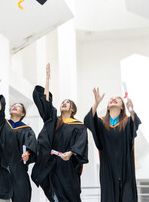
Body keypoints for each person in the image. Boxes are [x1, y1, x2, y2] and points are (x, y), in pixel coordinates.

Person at [31, 63, 88, 202]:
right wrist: (48, 79)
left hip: (67, 165)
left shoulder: (79, 126)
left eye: (67, 103)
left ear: (72, 109)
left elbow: (80, 143)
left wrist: (71, 152)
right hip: (53, 164)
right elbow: (46, 103)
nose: (64, 103)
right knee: (54, 194)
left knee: (71, 195)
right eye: (63, 102)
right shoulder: (53, 121)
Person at [84, 87, 141, 202]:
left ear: (122, 107)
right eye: (111, 99)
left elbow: (135, 124)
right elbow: (88, 120)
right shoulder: (101, 123)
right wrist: (96, 102)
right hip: (108, 171)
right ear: (108, 107)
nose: (113, 99)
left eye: (117, 99)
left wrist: (131, 110)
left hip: (126, 171)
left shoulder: (127, 122)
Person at [0, 76, 37, 202]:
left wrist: (28, 154)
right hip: (2, 168)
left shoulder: (27, 130)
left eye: (19, 106)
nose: (15, 106)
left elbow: (31, 144)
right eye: (13, 105)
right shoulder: (2, 124)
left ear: (23, 113)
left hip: (19, 171)